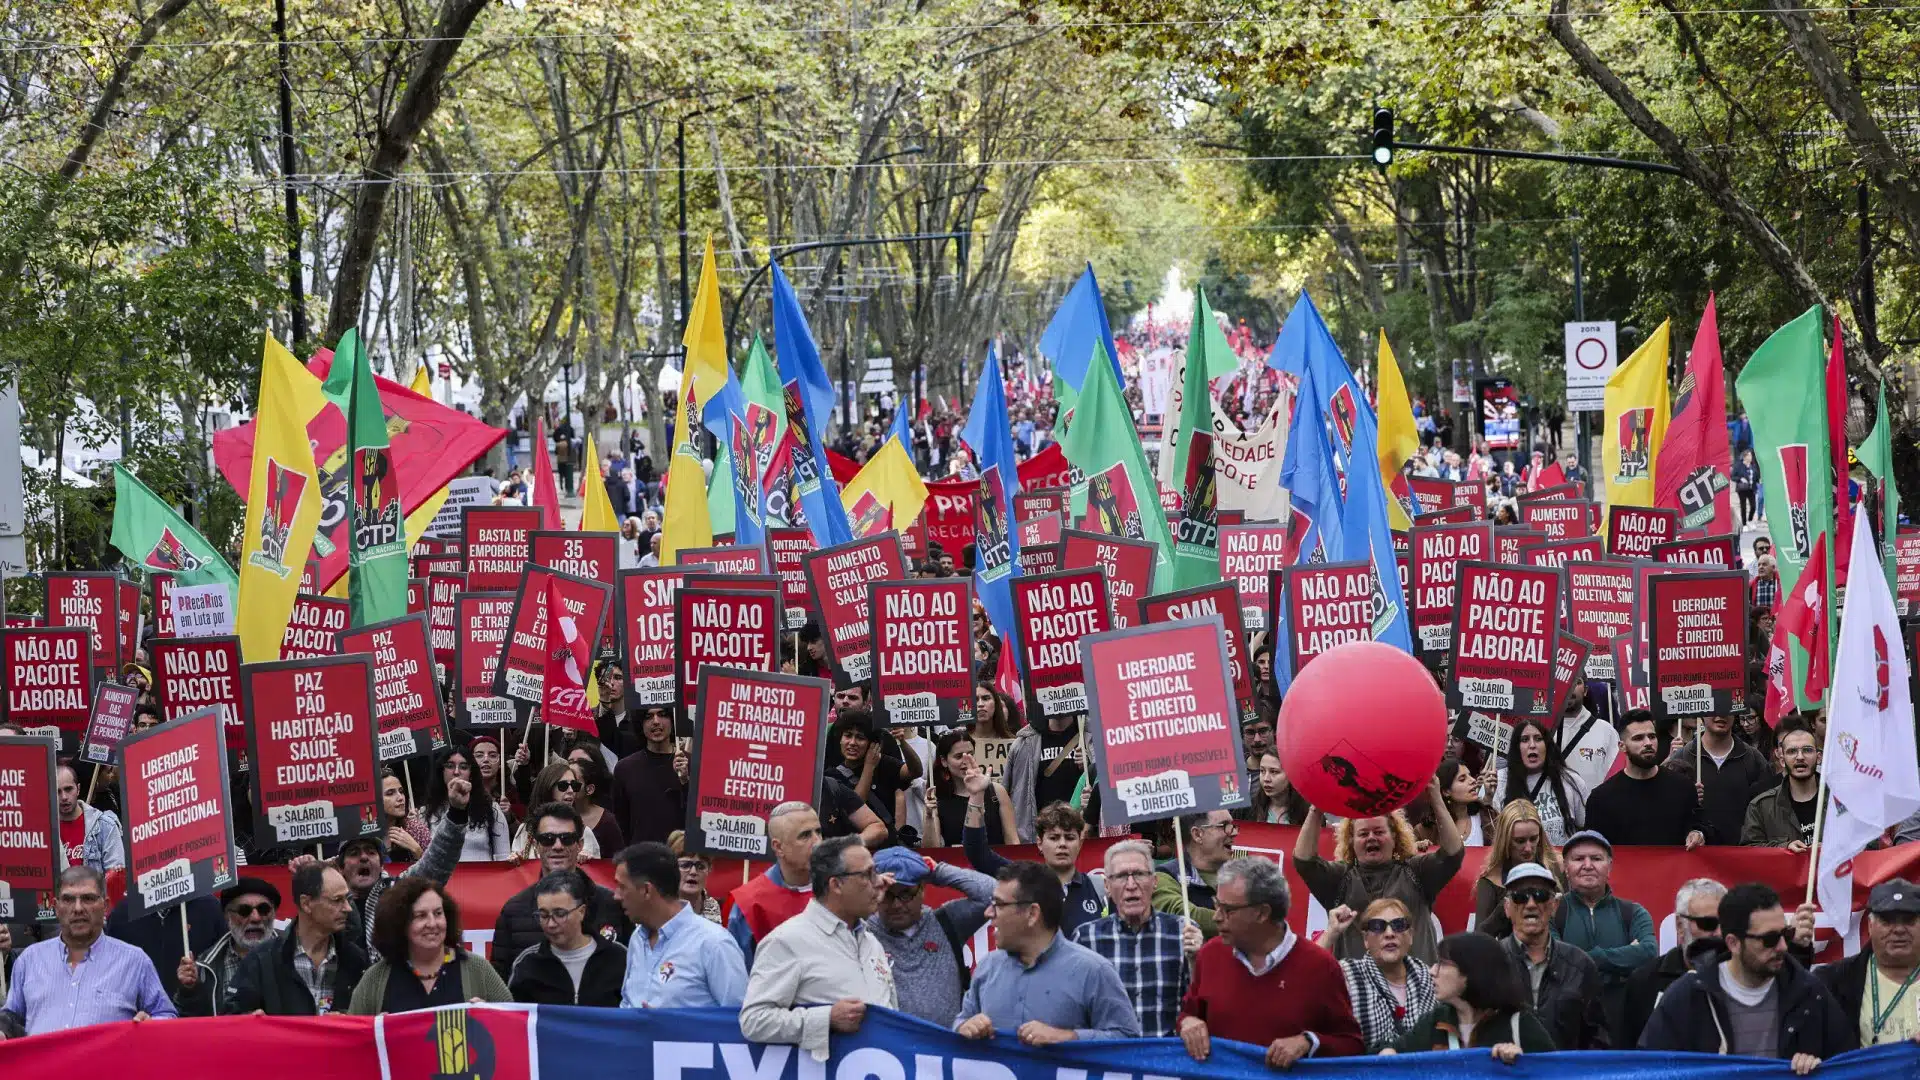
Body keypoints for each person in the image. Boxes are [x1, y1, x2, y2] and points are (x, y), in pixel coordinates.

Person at [1641, 882, 1853, 1072]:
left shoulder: (1810, 992)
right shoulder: (1688, 996)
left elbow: (1848, 1065)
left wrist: (1820, 1068)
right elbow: (1652, 1070)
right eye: (1769, 939)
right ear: (1733, 942)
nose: (1782, 947)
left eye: (1785, 935)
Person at [1177, 855, 1365, 1064]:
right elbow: (1188, 1014)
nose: (1216, 917)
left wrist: (1308, 1043)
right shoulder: (1210, 955)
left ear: (1262, 913)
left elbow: (1351, 1044)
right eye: (1216, 905)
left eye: (1227, 910)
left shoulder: (1320, 967)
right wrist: (1188, 1023)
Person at [738, 837, 896, 1062]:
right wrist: (826, 1018)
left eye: (876, 873)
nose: (878, 882)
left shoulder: (872, 943)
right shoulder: (787, 941)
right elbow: (754, 1020)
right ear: (836, 885)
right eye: (867, 875)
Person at [955, 862, 1141, 1043]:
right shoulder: (987, 967)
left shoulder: (1094, 971)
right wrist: (963, 1027)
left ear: (1032, 913)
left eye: (999, 904)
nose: (988, 912)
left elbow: (1127, 1040)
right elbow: (960, 1022)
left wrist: (1068, 1038)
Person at [1294, 775, 1465, 962]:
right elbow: (1304, 862)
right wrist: (1316, 809)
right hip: (1358, 988)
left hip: (1413, 988)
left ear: (1395, 837)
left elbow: (1453, 854)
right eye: (1363, 833)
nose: (1371, 838)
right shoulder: (1340, 878)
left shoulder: (1417, 872)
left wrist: (1435, 797)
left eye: (1379, 832)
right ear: (1351, 841)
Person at [0, 866, 174, 1037]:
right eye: (68, 899)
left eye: (88, 898)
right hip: (43, 1066)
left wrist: (151, 1024)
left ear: (105, 906)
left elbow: (167, 1016)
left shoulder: (135, 961)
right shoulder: (29, 960)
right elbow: (12, 1017)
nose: (78, 908)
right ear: (55, 907)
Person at [1070, 840, 1202, 1037]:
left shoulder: (1183, 931)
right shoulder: (1085, 938)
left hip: (1165, 1061)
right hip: (1109, 1061)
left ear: (1154, 881)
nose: (1131, 885)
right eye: (1121, 876)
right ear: (1107, 885)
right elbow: (1074, 1009)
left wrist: (1197, 960)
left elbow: (1201, 1004)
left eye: (1139, 874)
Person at [330, 772, 469, 955]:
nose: (364, 857)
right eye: (354, 853)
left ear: (381, 864)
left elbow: (437, 861)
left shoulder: (397, 891)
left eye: (371, 852)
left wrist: (457, 813)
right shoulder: (326, 900)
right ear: (341, 867)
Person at [491, 803, 630, 979]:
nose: (557, 846)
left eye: (567, 838)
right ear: (536, 844)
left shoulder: (613, 904)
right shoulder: (514, 910)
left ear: (580, 844)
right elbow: (500, 985)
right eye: (548, 839)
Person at [866, 847, 996, 1027]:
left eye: (905, 894)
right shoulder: (862, 930)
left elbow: (992, 893)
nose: (896, 904)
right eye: (888, 894)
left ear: (922, 890)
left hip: (945, 1048)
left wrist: (937, 871)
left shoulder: (946, 922)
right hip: (889, 1049)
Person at [613, 842, 748, 1008]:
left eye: (622, 887)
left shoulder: (715, 944)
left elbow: (736, 1021)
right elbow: (628, 1003)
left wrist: (673, 1028)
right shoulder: (638, 939)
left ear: (647, 890)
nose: (616, 896)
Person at [1382, 932, 1556, 1060]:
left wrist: (1525, 1064)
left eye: (1442, 963)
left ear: (1472, 971)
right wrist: (1387, 1052)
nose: (1432, 971)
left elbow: (1555, 1071)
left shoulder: (1520, 1024)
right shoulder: (1435, 1021)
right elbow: (1388, 1051)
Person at [347, 879, 510, 1013]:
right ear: (399, 923)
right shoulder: (375, 979)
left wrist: (491, 1016)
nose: (432, 923)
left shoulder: (477, 969)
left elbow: (514, 1025)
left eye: (438, 913)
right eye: (421, 916)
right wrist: (373, 1031)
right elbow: (351, 1039)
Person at [228, 863, 368, 1016]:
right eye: (337, 900)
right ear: (306, 903)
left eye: (347, 899)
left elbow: (373, 1019)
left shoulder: (356, 960)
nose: (347, 908)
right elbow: (230, 1021)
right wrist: (249, 1021)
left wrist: (348, 1018)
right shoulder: (262, 961)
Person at [1553, 831, 1654, 1039]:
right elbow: (1554, 959)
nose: (1588, 865)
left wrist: (1591, 957)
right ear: (1565, 867)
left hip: (1622, 1023)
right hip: (1567, 1025)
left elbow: (1648, 952)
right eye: (1579, 859)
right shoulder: (1552, 912)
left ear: (1610, 867)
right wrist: (1621, 960)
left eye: (1596, 859)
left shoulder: (1633, 912)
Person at [1497, 861, 1608, 1050]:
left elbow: (1597, 1039)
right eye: (1520, 897)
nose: (1531, 904)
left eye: (1540, 896)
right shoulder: (1490, 963)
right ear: (1507, 907)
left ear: (1554, 905)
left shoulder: (1580, 965)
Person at [967, 801, 1107, 936]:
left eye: (1070, 838)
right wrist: (976, 796)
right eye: (1054, 838)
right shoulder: (1026, 879)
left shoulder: (1100, 888)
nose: (1062, 844)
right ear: (1040, 843)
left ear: (1080, 843)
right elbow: (978, 854)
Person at [1319, 897, 1436, 1052]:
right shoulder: (1347, 974)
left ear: (1411, 936)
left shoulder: (1430, 979)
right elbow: (1301, 980)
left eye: (1398, 925)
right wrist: (1331, 934)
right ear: (1366, 940)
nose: (1389, 933)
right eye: (1377, 926)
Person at [1621, 878, 1727, 1048]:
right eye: (1708, 924)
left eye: (1726, 924)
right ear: (1680, 925)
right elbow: (1629, 1053)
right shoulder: (1645, 981)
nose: (1719, 933)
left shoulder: (1745, 977)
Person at [1814, 878, 1920, 1046]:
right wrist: (1799, 950)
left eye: (1908, 920)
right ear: (1870, 926)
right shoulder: (1834, 981)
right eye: (1887, 921)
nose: (1899, 929)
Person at [1584, 712, 1709, 847]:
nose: (1648, 743)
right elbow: (1593, 849)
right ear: (1622, 746)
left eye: (1652, 736)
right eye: (1638, 738)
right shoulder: (1601, 798)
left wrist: (1698, 833)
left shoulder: (1682, 786)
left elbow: (1701, 825)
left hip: (1673, 867)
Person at [507, 871, 627, 1006]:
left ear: (581, 912)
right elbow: (512, 1016)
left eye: (560, 914)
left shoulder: (619, 957)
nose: (551, 924)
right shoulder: (527, 963)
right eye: (544, 915)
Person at [728, 802, 822, 966]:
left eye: (819, 832)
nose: (817, 842)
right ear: (778, 847)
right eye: (805, 835)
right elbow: (740, 975)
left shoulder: (840, 888)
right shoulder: (749, 904)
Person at [175, 878, 282, 1016]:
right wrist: (189, 992)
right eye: (244, 911)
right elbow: (193, 1025)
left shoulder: (294, 954)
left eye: (263, 909)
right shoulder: (206, 968)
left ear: (273, 913)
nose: (255, 918)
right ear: (227, 916)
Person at [1667, 712, 1774, 847]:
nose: (1720, 716)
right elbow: (1667, 812)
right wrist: (1687, 797)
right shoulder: (1682, 757)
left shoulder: (1754, 759)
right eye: (1714, 709)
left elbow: (1767, 811)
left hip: (1743, 856)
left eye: (1726, 709)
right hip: (1695, 857)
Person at [1495, 718, 1585, 845]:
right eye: (1525, 740)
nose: (1532, 745)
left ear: (1547, 745)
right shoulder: (1499, 781)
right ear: (1516, 747)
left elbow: (1584, 829)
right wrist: (1487, 799)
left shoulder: (1570, 780)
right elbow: (1493, 836)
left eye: (1538, 739)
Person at [1005, 704, 1083, 843]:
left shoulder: (1091, 737)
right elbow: (1007, 792)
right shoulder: (1023, 743)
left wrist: (1090, 764)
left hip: (1081, 833)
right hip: (1036, 836)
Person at [1152, 810, 1236, 938]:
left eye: (1233, 826)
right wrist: (1245, 923)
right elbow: (1183, 915)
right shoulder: (1164, 876)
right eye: (1224, 826)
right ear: (1197, 834)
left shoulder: (1244, 874)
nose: (1233, 832)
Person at [610, 705, 687, 844]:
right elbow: (621, 824)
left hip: (681, 860)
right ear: (640, 723)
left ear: (673, 719)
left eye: (662, 714)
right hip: (640, 858)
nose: (656, 721)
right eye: (648, 716)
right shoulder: (625, 768)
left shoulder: (690, 764)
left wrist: (686, 781)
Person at [924, 729, 1015, 846]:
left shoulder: (997, 791)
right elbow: (931, 850)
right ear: (944, 761)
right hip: (957, 863)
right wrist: (929, 816)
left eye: (970, 754)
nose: (966, 761)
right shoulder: (936, 799)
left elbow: (1012, 841)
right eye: (958, 757)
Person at [423, 744, 511, 861]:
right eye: (450, 766)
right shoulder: (426, 812)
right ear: (441, 771)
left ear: (471, 774)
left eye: (463, 767)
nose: (456, 772)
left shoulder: (491, 809)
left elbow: (503, 859)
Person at [1743, 719, 1821, 851]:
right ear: (1782, 760)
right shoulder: (1760, 807)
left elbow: (1867, 842)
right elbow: (1750, 851)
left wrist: (1835, 848)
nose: (1800, 757)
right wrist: (1784, 848)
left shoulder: (1841, 799)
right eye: (1792, 751)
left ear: (1818, 757)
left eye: (1807, 750)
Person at [511, 761, 604, 859]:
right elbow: (518, 871)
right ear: (548, 788)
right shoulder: (526, 830)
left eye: (574, 785)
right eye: (563, 786)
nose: (571, 791)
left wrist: (586, 861)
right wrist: (516, 861)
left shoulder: (583, 832)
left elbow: (594, 872)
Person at [1553, 678, 1619, 796]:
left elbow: (1616, 777)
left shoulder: (1606, 731)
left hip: (1595, 810)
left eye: (1576, 682)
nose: (1569, 687)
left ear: (1585, 691)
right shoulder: (1542, 732)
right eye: (1563, 682)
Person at [55, 763, 123, 872]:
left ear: (78, 789)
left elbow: (116, 877)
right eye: (57, 792)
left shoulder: (105, 826)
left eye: (68, 789)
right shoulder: (44, 833)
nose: (64, 797)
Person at [564, 743, 626, 856]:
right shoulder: (557, 813)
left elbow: (618, 860)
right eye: (570, 762)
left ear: (589, 788)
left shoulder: (608, 820)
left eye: (575, 784)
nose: (569, 789)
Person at [666, 830, 723, 922]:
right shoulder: (656, 907)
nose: (693, 872)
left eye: (700, 866)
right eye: (685, 865)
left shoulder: (721, 909)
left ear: (709, 869)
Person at [1246, 750, 1311, 825]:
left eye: (1274, 772)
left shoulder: (1309, 812)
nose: (1266, 779)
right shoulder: (1248, 810)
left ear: (1291, 774)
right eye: (1262, 771)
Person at [379, 770, 429, 862]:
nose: (400, 798)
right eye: (390, 793)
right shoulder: (364, 835)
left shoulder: (416, 829)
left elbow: (434, 870)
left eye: (401, 791)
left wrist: (417, 850)